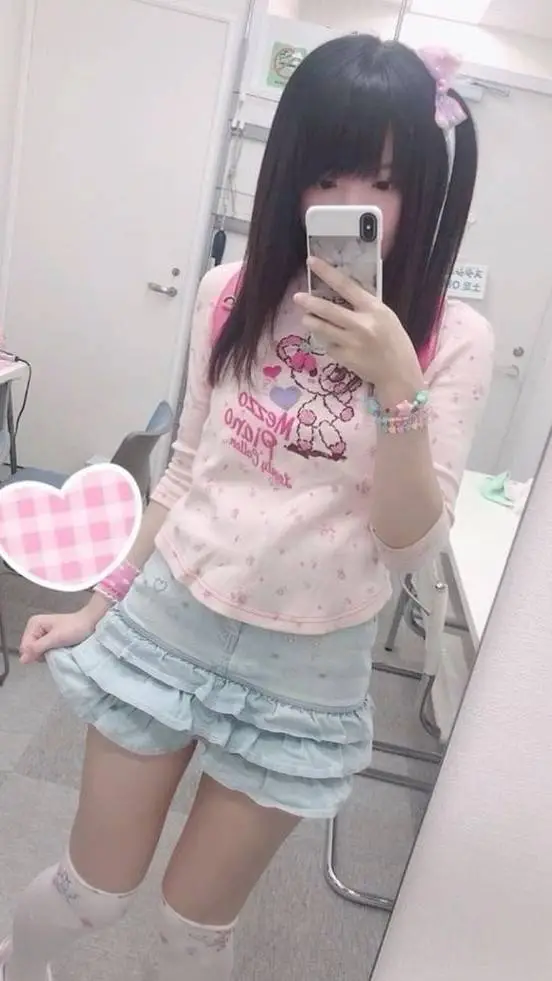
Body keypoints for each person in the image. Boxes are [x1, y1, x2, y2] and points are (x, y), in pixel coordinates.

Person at [2, 34, 494, 981]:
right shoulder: (231, 294)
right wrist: (97, 604)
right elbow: (185, 472)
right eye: (325, 174)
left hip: (304, 672)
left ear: (427, 190)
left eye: (382, 181)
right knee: (91, 892)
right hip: (168, 621)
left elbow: (407, 544)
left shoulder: (453, 339)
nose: (348, 202)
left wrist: (398, 380)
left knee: (193, 932)